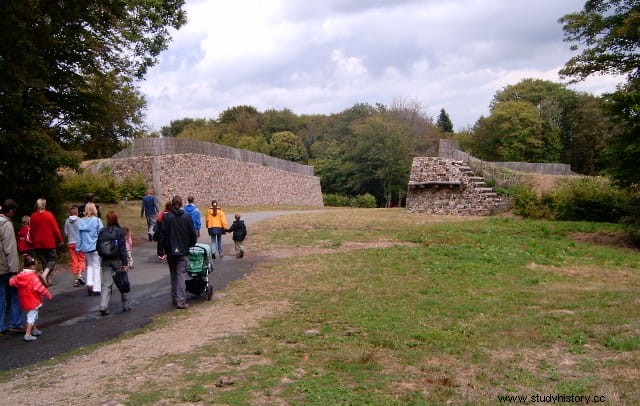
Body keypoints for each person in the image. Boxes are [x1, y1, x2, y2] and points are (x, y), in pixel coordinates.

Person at [158, 195, 197, 309]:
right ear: (181, 204)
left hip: (170, 250)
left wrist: (160, 251)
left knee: (173, 274)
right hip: (183, 249)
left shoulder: (167, 217)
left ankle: (175, 297)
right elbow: (192, 233)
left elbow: (162, 235)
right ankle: (181, 300)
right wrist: (191, 244)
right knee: (181, 274)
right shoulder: (187, 217)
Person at [9, 254, 52, 341]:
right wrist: (48, 294)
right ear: (32, 266)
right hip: (33, 299)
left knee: (34, 314)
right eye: (35, 265)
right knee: (31, 316)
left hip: (25, 299)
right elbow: (39, 287)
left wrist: (11, 279)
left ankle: (34, 329)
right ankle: (28, 334)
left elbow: (13, 282)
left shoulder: (20, 275)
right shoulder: (33, 277)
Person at [0, 199, 25, 335]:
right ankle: (15, 322)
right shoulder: (6, 225)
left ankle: (1, 325)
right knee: (14, 294)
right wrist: (14, 269)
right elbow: (9, 248)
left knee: (1, 296)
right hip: (5, 267)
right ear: (10, 211)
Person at [98, 211, 131, 315]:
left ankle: (103, 305)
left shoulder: (102, 231)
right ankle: (126, 305)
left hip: (105, 260)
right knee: (122, 281)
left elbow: (97, 247)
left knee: (106, 284)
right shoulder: (119, 231)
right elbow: (122, 249)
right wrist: (125, 263)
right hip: (117, 260)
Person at [29, 198, 64, 286]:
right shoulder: (49, 215)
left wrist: (32, 240)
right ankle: (45, 275)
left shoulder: (33, 216)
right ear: (45, 205)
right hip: (49, 242)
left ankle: (47, 280)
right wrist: (60, 239)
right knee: (53, 259)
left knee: (44, 261)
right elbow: (55, 228)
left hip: (37, 243)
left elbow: (31, 231)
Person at [77, 202, 103, 296]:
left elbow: (78, 236)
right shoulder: (97, 220)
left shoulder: (80, 221)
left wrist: (78, 247)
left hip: (86, 246)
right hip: (95, 246)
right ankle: (97, 288)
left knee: (89, 265)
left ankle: (90, 284)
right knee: (96, 266)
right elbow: (102, 233)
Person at [64, 205, 87, 287]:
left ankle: (76, 280)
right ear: (77, 212)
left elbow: (66, 233)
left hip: (71, 243)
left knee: (74, 261)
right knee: (82, 259)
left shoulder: (67, 221)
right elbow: (84, 232)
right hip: (79, 243)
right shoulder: (80, 221)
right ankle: (80, 275)